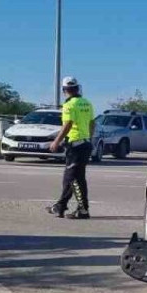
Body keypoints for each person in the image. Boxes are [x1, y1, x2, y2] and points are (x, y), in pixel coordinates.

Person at [48, 77, 94, 219]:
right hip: (85, 144)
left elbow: (68, 124)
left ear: (64, 90)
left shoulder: (69, 105)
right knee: (76, 178)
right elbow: (92, 123)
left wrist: (56, 141)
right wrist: (88, 138)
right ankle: (61, 206)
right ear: (77, 88)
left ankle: (83, 210)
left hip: (75, 145)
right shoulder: (86, 103)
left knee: (72, 178)